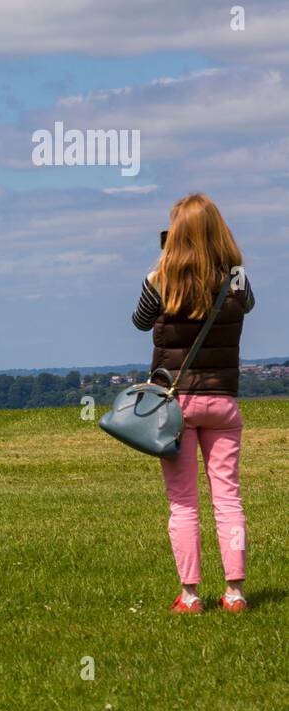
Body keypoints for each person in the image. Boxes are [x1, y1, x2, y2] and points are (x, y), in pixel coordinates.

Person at [131, 194, 255, 614]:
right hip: (223, 399)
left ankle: (190, 595)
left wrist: (160, 267)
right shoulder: (236, 278)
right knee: (228, 498)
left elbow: (139, 321)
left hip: (175, 406)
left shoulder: (160, 278)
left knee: (183, 501)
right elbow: (248, 307)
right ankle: (235, 593)